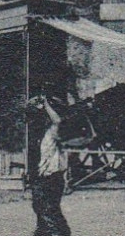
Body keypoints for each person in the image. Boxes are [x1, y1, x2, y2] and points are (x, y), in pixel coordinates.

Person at [27, 94, 71, 236]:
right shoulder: (38, 134)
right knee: (39, 205)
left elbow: (57, 120)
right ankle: (43, 232)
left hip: (53, 176)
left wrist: (45, 104)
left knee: (49, 208)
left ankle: (61, 233)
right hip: (42, 175)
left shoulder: (52, 132)